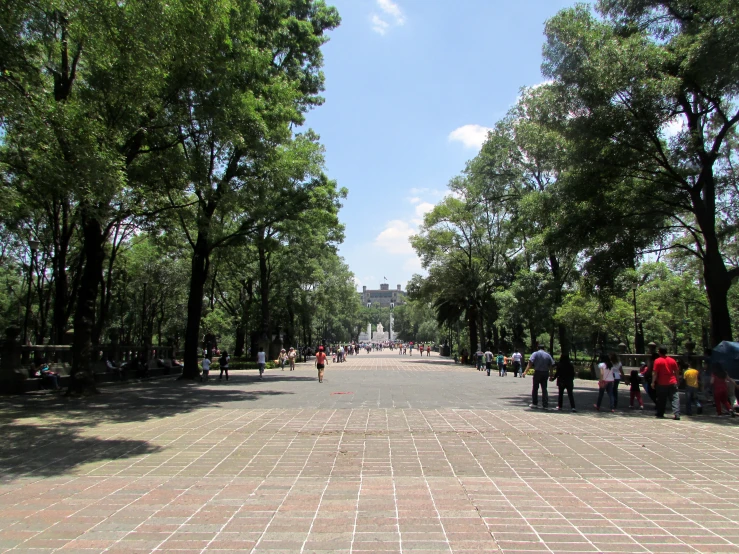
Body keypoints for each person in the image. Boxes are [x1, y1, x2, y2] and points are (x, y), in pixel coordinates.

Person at [652, 345, 680, 420]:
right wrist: (677, 380)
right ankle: (677, 413)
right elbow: (677, 371)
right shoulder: (672, 360)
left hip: (662, 383)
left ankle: (660, 413)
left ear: (659, 352)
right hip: (672, 382)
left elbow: (655, 373)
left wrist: (653, 382)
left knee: (661, 399)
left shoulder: (657, 361)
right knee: (675, 398)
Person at [526, 344, 554, 409]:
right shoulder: (548, 355)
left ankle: (535, 403)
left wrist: (526, 371)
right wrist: (551, 375)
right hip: (545, 373)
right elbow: (551, 365)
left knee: (535, 388)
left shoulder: (535, 354)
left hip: (537, 372)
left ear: (537, 348)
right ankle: (545, 404)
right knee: (544, 389)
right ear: (544, 348)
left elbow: (530, 362)